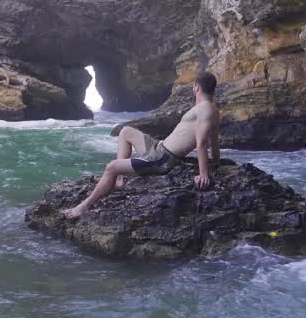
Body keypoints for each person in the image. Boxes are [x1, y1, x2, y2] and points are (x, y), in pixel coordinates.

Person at [63, 72, 222, 219]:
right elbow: (214, 142)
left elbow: (202, 143)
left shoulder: (205, 109)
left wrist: (204, 174)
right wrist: (216, 163)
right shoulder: (211, 110)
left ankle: (84, 206)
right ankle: (119, 180)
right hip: (159, 148)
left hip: (162, 159)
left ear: (196, 87)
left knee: (111, 167)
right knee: (125, 131)